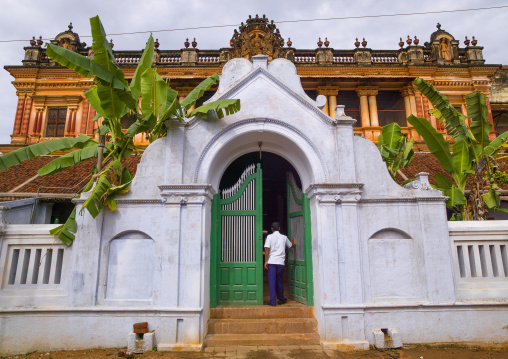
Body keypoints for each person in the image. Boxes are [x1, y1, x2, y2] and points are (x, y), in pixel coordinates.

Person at [264, 222, 296, 306]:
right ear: (279, 228)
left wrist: (265, 261)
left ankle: (272, 301)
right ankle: (281, 298)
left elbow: (267, 249)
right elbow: (290, 246)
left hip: (271, 262)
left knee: (272, 281)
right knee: (279, 281)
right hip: (280, 263)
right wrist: (294, 243)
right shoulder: (284, 237)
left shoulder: (269, 237)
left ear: (271, 229)